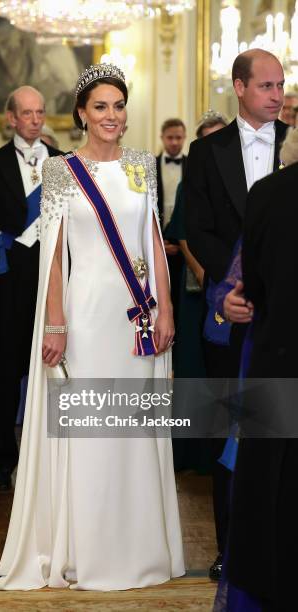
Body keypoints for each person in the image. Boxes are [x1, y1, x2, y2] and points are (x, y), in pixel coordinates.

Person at [0, 64, 185, 591]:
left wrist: (166, 309)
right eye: (100, 107)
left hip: (137, 318)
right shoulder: (60, 172)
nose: (112, 116)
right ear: (81, 113)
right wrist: (55, 324)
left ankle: (139, 545)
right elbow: (53, 258)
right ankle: (85, 548)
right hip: (85, 317)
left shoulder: (143, 165)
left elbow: (154, 243)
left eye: (119, 106)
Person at [184, 49, 287, 581]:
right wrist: (222, 288)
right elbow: (192, 227)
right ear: (239, 87)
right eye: (267, 86)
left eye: (281, 85)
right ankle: (230, 549)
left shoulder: (294, 146)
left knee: (280, 434)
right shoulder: (207, 154)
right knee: (228, 435)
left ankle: (279, 547)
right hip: (229, 313)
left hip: (286, 320)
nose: (277, 95)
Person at [215, 128, 298, 612]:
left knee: (270, 483)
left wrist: (238, 303)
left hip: (276, 356)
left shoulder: (266, 194)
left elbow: (251, 284)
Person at [0, 86, 61, 491]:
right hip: (7, 282)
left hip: (54, 277)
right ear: (11, 119)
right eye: (27, 113)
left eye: (40, 112)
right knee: (7, 372)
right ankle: (3, 458)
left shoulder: (62, 163)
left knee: (54, 367)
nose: (35, 119)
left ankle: (52, 456)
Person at [165, 111, 228, 473]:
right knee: (192, 369)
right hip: (196, 291)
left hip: (233, 289)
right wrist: (205, 275)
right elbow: (183, 234)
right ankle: (190, 453)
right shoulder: (190, 182)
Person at [156, 118, 187, 327]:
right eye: (170, 138)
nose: (174, 142)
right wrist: (158, 241)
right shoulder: (149, 165)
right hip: (157, 240)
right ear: (162, 138)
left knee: (181, 297)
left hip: (185, 243)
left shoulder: (194, 165)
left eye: (178, 137)